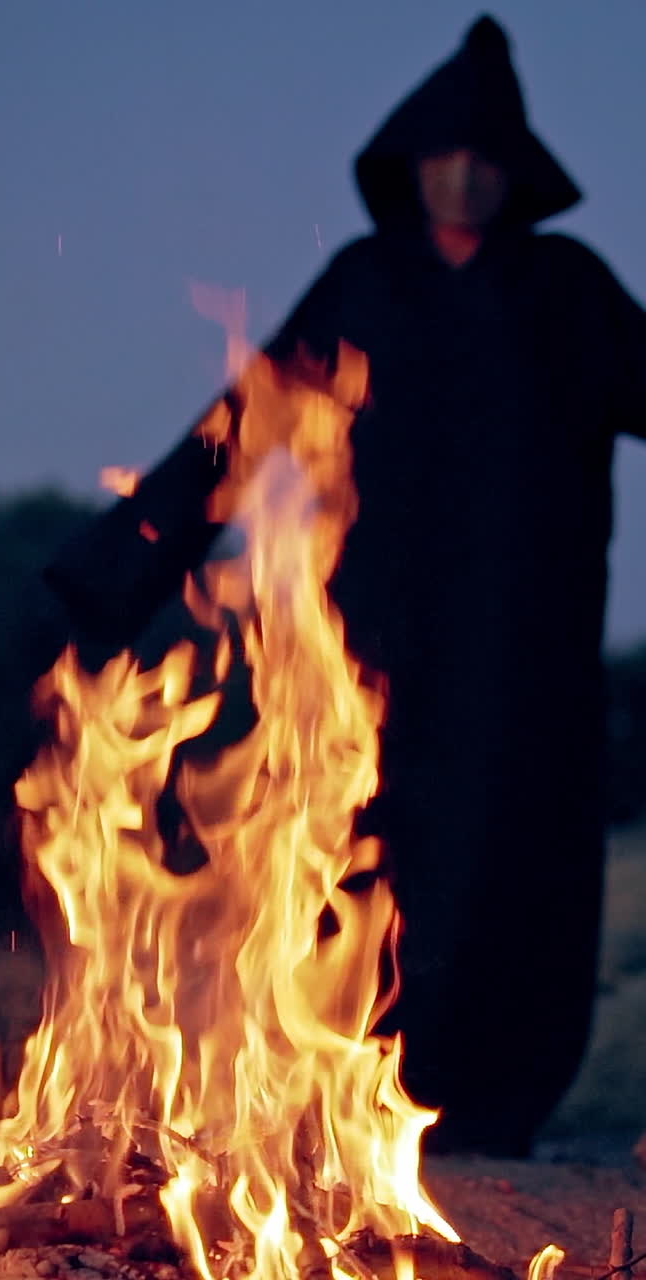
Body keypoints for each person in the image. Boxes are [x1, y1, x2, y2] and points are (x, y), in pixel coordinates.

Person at [47, 15, 646, 1155]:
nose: (464, 176)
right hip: (380, 646)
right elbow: (240, 431)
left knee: (523, 861)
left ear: (514, 173)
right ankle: (365, 1094)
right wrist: (112, 576)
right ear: (410, 164)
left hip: (533, 646)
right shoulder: (366, 283)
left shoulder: (568, 291)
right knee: (378, 855)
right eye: (443, 155)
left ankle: (495, 1108)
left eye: (484, 158)